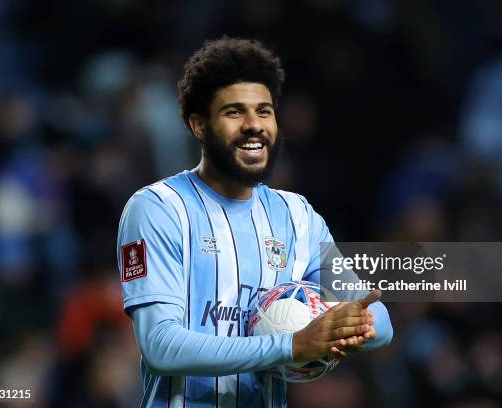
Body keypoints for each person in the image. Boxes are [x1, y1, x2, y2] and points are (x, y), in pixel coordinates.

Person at [117, 36, 393, 408]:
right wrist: (292, 344)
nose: (254, 125)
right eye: (234, 112)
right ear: (199, 125)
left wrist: (343, 328)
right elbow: (161, 346)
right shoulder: (158, 208)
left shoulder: (297, 216)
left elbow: (378, 320)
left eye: (264, 111)